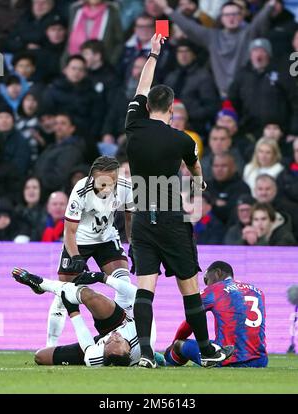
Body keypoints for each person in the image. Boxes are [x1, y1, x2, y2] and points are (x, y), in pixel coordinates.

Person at [125, 34, 234, 368]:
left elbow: (141, 86)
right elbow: (196, 170)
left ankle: (144, 353)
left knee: (145, 287)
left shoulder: (134, 125)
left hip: (143, 218)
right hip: (172, 218)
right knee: (188, 286)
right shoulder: (183, 140)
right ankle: (206, 350)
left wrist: (154, 53)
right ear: (172, 109)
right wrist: (197, 184)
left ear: (146, 106)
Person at [46, 156, 134, 348]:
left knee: (123, 283)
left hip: (107, 239)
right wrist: (76, 256)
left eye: (112, 181)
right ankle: (49, 346)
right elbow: (69, 230)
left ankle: (124, 335)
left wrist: (134, 244)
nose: (108, 187)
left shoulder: (126, 187)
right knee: (63, 294)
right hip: (79, 241)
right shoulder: (80, 190)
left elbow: (129, 219)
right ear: (92, 178)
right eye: (102, 183)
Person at [11, 266, 155, 367]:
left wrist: (73, 311)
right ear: (129, 352)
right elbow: (138, 294)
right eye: (118, 341)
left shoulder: (95, 357)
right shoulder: (145, 336)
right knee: (89, 296)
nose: (114, 336)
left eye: (109, 342)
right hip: (121, 321)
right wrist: (102, 277)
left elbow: (87, 345)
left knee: (40, 357)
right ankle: (42, 283)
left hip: (97, 347)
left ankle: (42, 287)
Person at [164, 261, 268, 368]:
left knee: (179, 344)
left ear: (217, 273)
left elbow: (191, 321)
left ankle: (167, 362)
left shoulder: (214, 290)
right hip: (260, 360)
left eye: (207, 280)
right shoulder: (257, 291)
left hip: (227, 359)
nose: (207, 284)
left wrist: (174, 343)